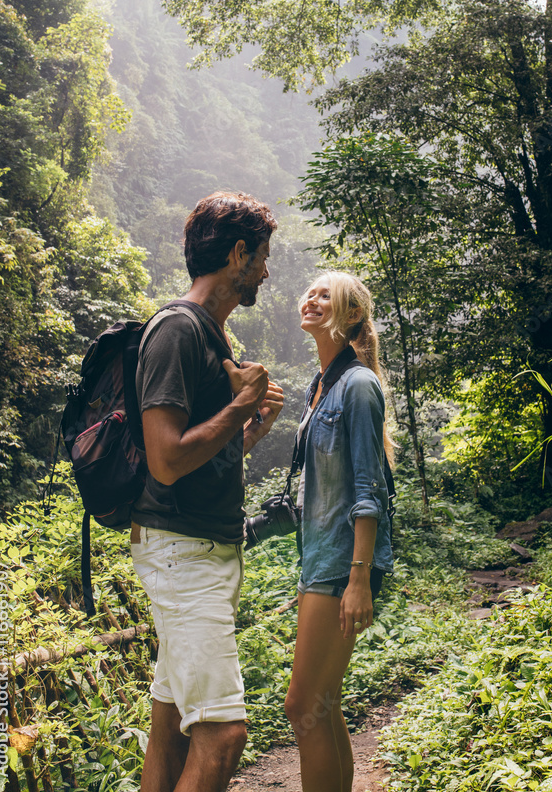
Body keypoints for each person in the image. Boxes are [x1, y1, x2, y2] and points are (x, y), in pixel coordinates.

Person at [130, 191, 284, 792]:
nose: (268, 271)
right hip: (182, 555)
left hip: (199, 551)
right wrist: (242, 401)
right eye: (263, 256)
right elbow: (166, 461)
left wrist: (249, 429)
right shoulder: (176, 330)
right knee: (222, 735)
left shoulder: (212, 336)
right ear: (238, 254)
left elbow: (199, 458)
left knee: (169, 727)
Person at [284, 271, 394, 792]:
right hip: (321, 562)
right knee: (322, 704)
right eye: (311, 291)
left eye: (326, 295)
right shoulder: (320, 388)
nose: (312, 298)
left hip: (340, 567)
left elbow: (370, 489)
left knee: (303, 704)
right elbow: (314, 492)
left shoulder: (358, 385)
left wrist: (359, 578)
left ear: (351, 316)